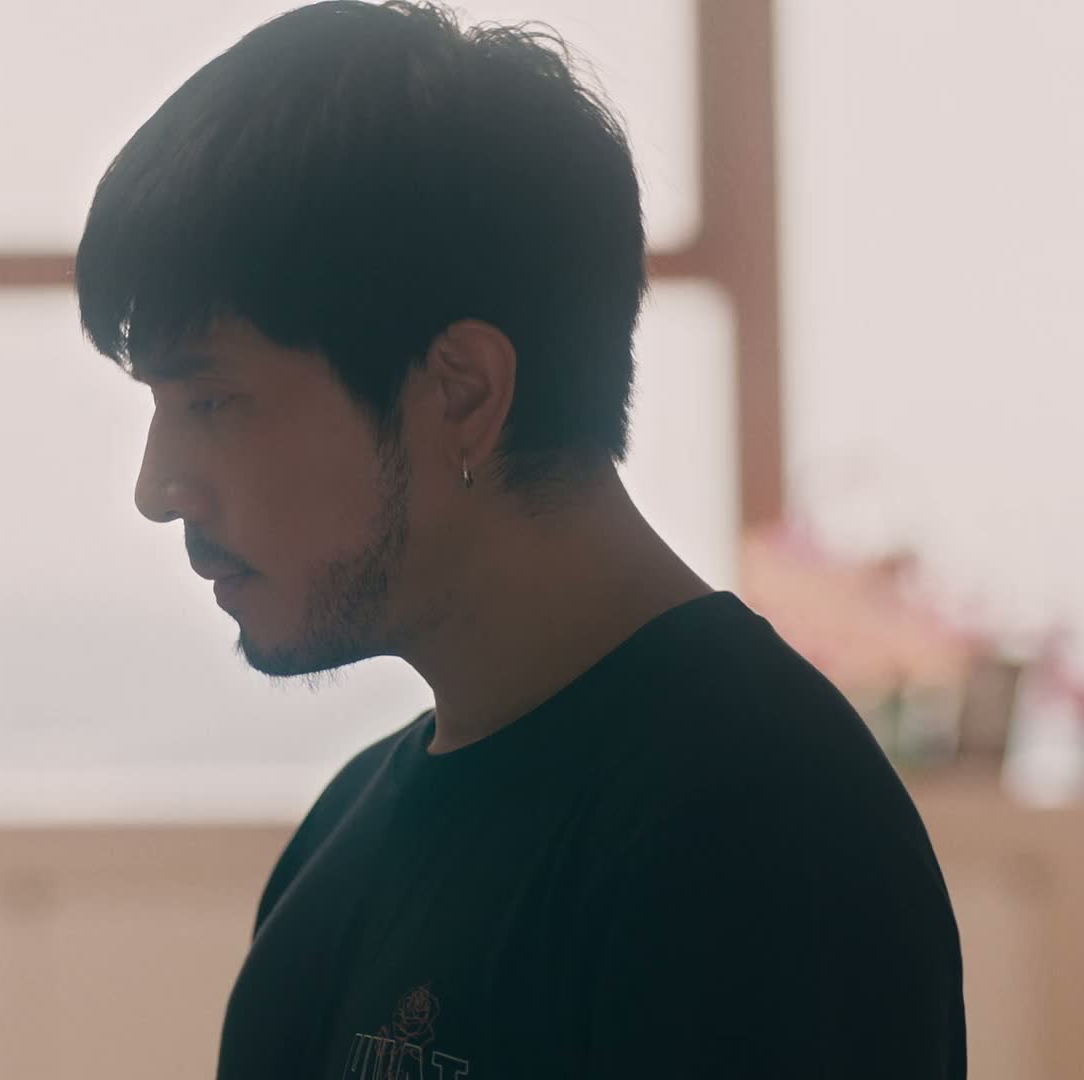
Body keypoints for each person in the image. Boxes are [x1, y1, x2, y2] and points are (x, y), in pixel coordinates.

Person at [73, 3, 965, 1077]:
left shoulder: (760, 830)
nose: (157, 490)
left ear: (462, 391)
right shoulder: (346, 833)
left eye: (213, 402)